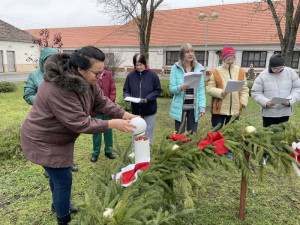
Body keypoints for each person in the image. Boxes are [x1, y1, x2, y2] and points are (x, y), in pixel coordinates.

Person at [20, 46, 137, 225]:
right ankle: (63, 219)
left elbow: (102, 102)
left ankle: (58, 205)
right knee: (63, 180)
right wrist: (112, 124)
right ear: (80, 69)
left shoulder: (89, 81)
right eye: (96, 73)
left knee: (57, 176)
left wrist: (125, 115)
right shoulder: (57, 88)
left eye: (102, 73)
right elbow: (80, 123)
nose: (100, 78)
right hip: (42, 139)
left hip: (58, 138)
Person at [206, 46, 249, 159]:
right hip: (219, 108)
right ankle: (216, 151)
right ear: (223, 58)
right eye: (228, 58)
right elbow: (209, 88)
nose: (230, 60)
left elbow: (245, 89)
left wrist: (242, 102)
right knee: (217, 130)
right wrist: (221, 92)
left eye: (232, 58)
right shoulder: (215, 72)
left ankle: (228, 150)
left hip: (235, 108)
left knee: (232, 131)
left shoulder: (240, 71)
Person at [123, 53, 162, 149]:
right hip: (136, 111)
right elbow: (126, 90)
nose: (139, 67)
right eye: (136, 65)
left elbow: (158, 90)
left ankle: (148, 151)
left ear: (145, 63)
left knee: (148, 131)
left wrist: (147, 98)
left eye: (140, 64)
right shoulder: (130, 76)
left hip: (150, 110)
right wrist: (127, 97)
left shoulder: (153, 75)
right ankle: (135, 151)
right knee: (136, 130)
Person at [251, 53, 300, 127]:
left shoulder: (290, 73)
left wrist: (289, 101)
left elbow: (297, 89)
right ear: (270, 66)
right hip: (268, 113)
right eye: (274, 68)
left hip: (284, 112)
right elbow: (256, 92)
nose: (277, 70)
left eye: (280, 68)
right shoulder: (263, 75)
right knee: (268, 135)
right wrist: (266, 102)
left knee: (283, 135)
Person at [169, 43, 206, 134]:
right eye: (187, 52)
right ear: (182, 54)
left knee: (192, 135)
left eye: (192, 51)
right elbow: (172, 89)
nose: (190, 54)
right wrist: (180, 88)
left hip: (193, 107)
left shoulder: (198, 68)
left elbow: (201, 89)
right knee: (179, 135)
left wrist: (202, 107)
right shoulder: (176, 68)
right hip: (180, 108)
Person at [90, 69, 116, 162]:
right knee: (96, 131)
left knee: (108, 130)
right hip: (95, 109)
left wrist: (110, 104)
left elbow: (112, 90)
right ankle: (95, 152)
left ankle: (108, 151)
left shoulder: (108, 74)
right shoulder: (91, 74)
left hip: (107, 109)